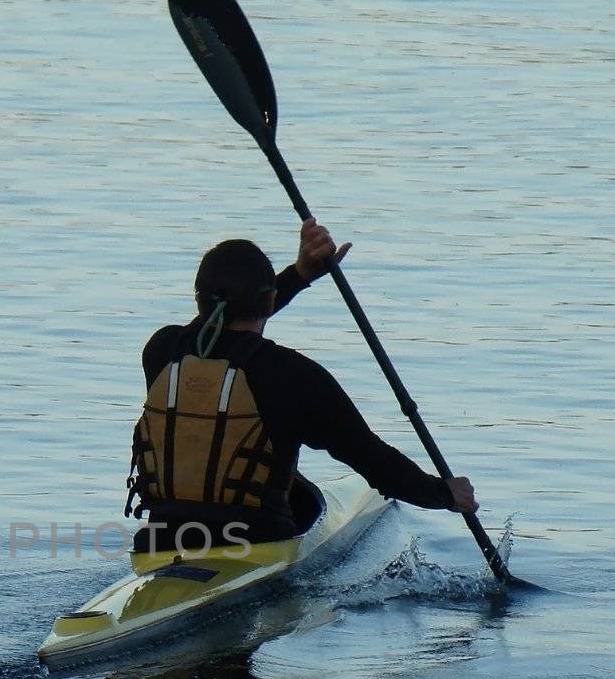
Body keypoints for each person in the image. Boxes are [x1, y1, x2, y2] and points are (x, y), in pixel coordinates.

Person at [125, 220, 477, 553]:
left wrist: (299, 276)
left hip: (163, 539)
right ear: (269, 299)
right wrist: (445, 494)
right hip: (257, 544)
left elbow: (213, 331)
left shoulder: (161, 351)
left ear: (199, 300)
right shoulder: (295, 376)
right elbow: (376, 463)